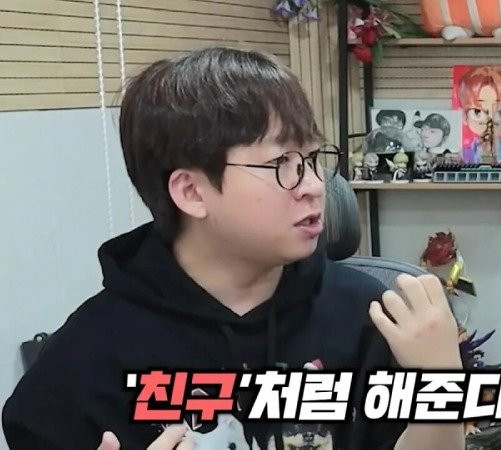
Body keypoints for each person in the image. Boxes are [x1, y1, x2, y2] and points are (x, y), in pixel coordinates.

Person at [2, 47, 465, 450]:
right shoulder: (85, 362)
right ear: (192, 192)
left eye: (310, 159)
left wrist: (441, 388)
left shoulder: (369, 316)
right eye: (281, 162)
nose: (313, 185)